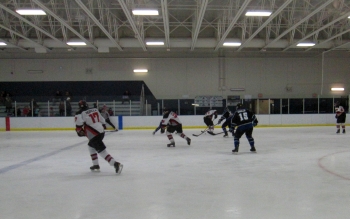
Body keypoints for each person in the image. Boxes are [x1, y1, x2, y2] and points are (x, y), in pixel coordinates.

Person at [75, 100, 123, 174]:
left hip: (94, 134)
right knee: (90, 146)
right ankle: (96, 165)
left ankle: (116, 164)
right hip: (101, 132)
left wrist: (79, 131)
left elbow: (79, 126)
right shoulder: (95, 109)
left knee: (102, 151)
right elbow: (103, 120)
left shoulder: (79, 114)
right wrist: (102, 126)